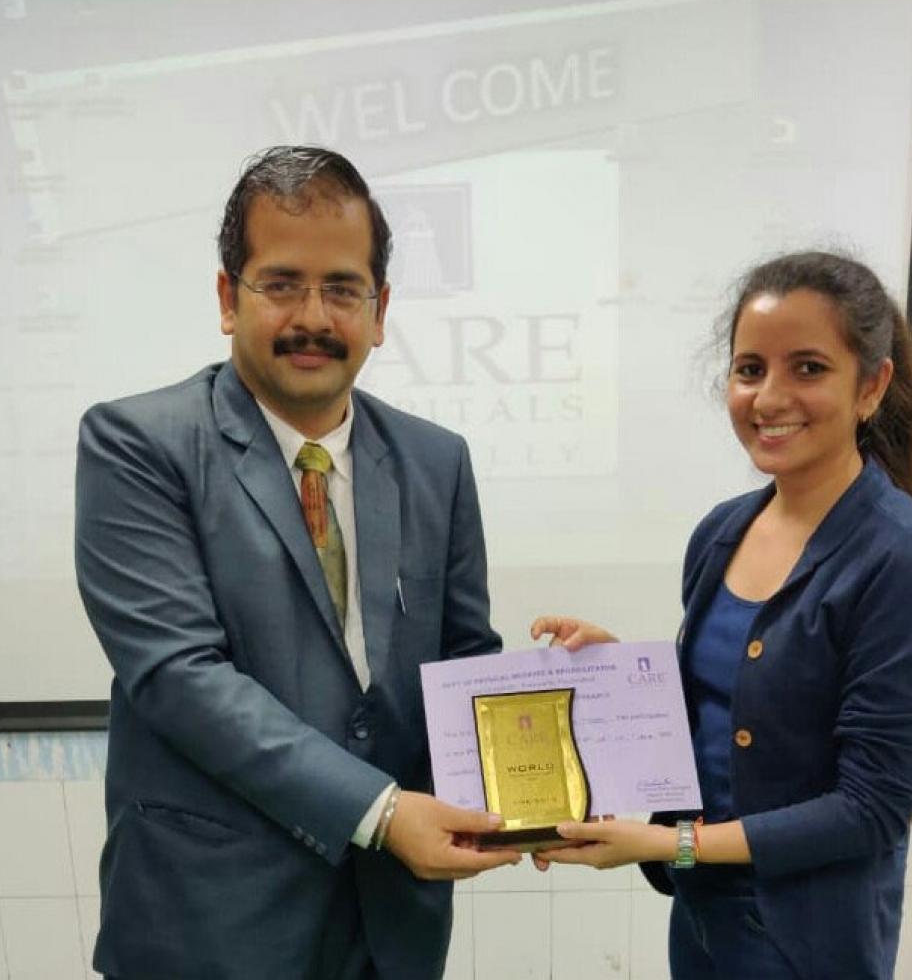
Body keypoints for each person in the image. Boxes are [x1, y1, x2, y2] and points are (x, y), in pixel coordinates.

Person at [75, 145, 520, 980]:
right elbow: (178, 676)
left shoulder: (435, 460)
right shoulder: (138, 445)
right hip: (211, 926)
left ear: (380, 309)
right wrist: (381, 812)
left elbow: (461, 663)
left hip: (389, 926)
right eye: (280, 284)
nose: (312, 315)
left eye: (343, 288)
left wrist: (571, 730)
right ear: (225, 297)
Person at [531, 252, 912, 979]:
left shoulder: (896, 556)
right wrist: (620, 676)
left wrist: (672, 846)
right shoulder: (720, 532)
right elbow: (719, 717)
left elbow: (872, 808)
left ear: (872, 387)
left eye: (807, 368)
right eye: (749, 370)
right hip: (704, 925)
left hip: (812, 945)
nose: (769, 398)